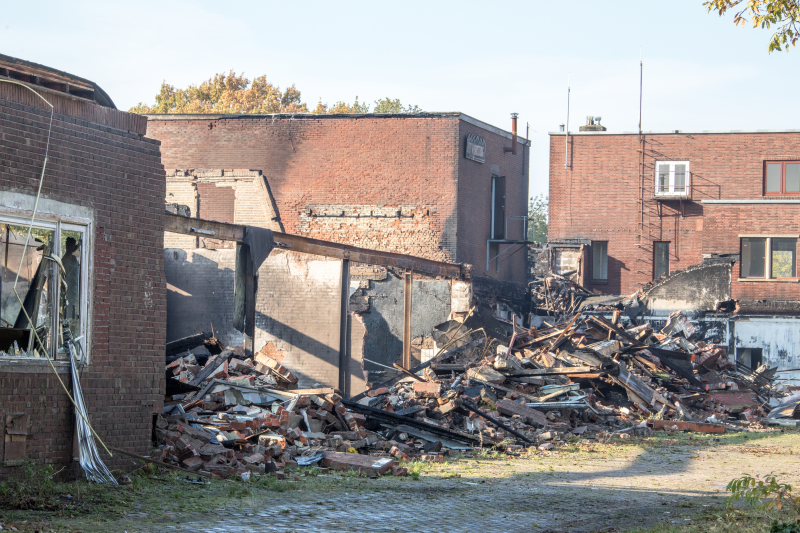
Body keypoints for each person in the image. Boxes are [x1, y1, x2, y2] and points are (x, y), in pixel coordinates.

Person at [61, 237, 80, 328]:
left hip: (74, 293)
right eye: (72, 245)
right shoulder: (65, 260)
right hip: (68, 292)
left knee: (73, 315)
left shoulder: (73, 259)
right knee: (68, 316)